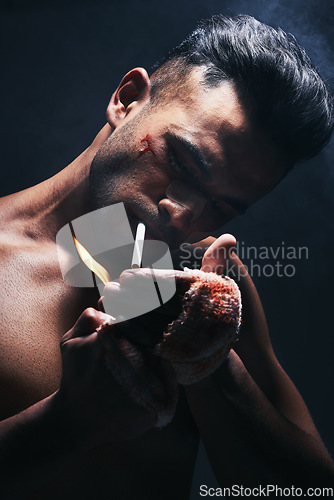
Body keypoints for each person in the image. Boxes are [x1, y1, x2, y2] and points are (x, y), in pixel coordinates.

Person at [0, 14, 333, 499]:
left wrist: (207, 364)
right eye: (181, 162)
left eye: (222, 208)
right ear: (128, 100)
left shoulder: (208, 290)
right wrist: (67, 425)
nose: (183, 215)